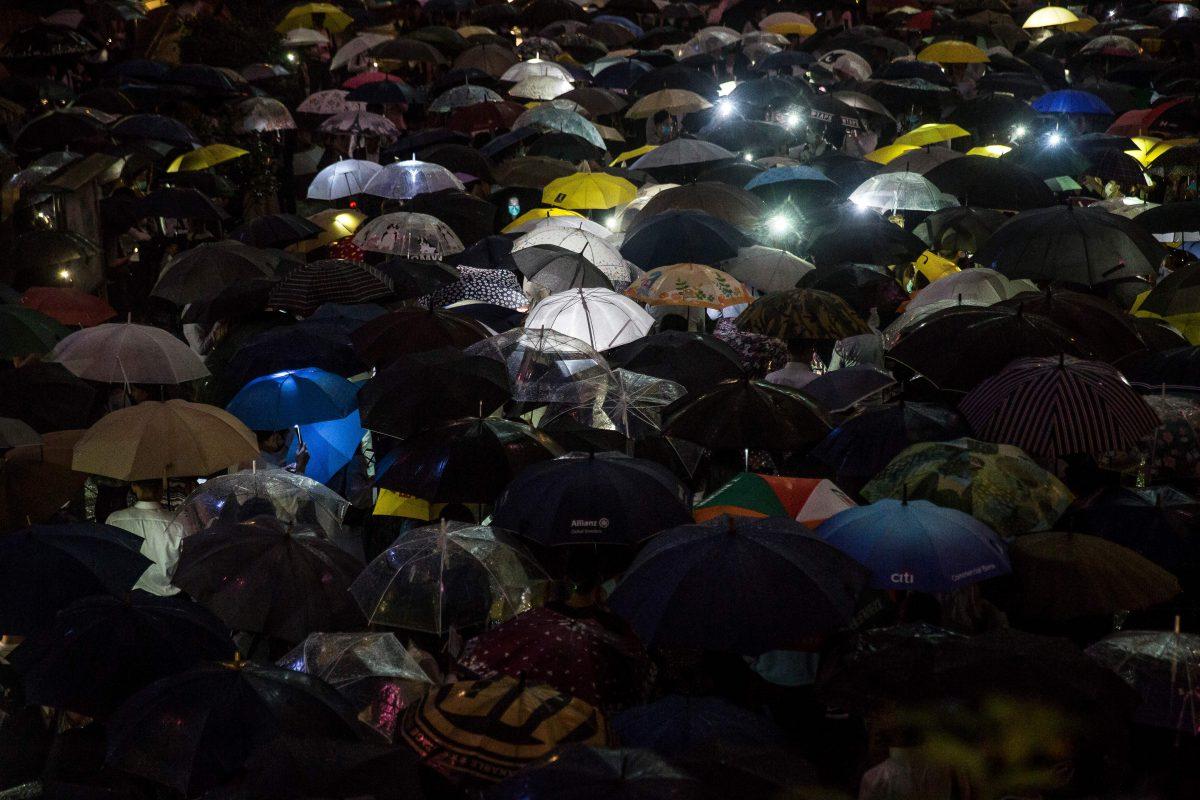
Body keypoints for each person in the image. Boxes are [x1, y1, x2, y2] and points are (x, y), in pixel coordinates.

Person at [105, 481, 179, 597]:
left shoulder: (115, 520)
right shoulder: (178, 522)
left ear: (134, 487)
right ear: (162, 487)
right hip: (169, 597)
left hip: (128, 597)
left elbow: (111, 559)